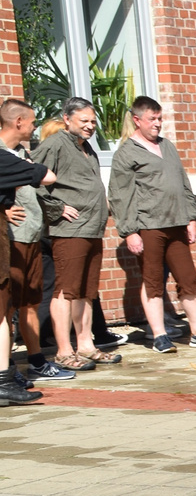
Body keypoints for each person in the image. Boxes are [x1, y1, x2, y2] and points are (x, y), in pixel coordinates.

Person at [110, 96, 196, 353]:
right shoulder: (127, 152)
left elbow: (183, 183)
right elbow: (120, 195)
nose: (158, 124)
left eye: (160, 118)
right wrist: (130, 232)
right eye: (152, 119)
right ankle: (159, 336)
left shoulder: (167, 146)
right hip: (149, 226)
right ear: (137, 120)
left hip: (177, 224)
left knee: (188, 279)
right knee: (153, 281)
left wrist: (191, 217)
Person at [35, 99, 115, 370]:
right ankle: (63, 351)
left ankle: (86, 345)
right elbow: (32, 179)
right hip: (69, 231)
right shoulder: (54, 144)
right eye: (84, 121)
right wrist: (57, 208)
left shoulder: (88, 148)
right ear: (67, 119)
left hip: (92, 229)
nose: (90, 126)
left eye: (93, 121)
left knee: (86, 291)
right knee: (65, 291)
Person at [1, 100, 64, 385]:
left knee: (29, 302)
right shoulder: (2, 155)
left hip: (31, 237)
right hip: (11, 241)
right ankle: (9, 367)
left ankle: (37, 360)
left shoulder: (21, 153)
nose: (35, 126)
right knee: (7, 307)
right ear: (18, 122)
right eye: (32, 121)